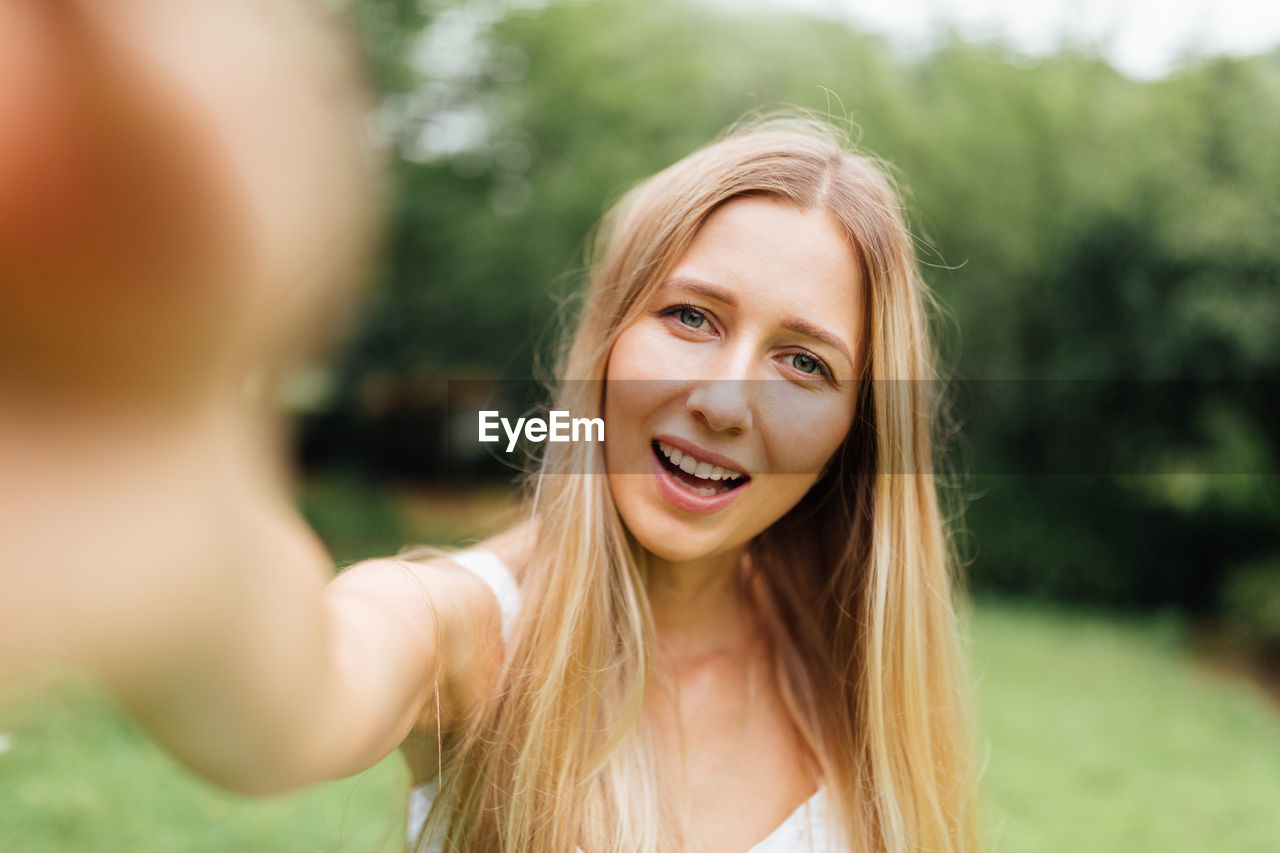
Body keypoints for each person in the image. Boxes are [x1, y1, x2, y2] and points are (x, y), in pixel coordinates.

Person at [0, 5, 979, 852]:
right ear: (606, 339)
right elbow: (282, 704)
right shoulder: (465, 630)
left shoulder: (860, 668)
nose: (726, 401)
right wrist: (161, 440)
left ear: (856, 425)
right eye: (691, 317)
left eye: (802, 362)